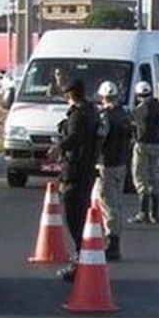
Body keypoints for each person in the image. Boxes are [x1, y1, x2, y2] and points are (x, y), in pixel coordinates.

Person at [47, 78, 101, 281]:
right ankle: (84, 256)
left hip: (76, 171)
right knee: (81, 213)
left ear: (69, 95)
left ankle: (80, 258)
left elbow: (75, 137)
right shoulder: (92, 111)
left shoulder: (78, 115)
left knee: (74, 216)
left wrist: (59, 147)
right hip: (86, 169)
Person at [93, 80, 132, 261]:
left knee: (107, 204)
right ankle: (108, 238)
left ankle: (112, 243)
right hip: (121, 163)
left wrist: (93, 159)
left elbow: (100, 139)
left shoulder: (105, 117)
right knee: (113, 202)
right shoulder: (125, 114)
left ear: (102, 97)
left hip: (106, 164)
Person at [128, 81, 159, 224]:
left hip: (142, 145)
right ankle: (155, 214)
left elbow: (130, 122)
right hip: (155, 144)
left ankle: (143, 212)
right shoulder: (158, 106)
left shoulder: (140, 109)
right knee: (153, 177)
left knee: (139, 177)